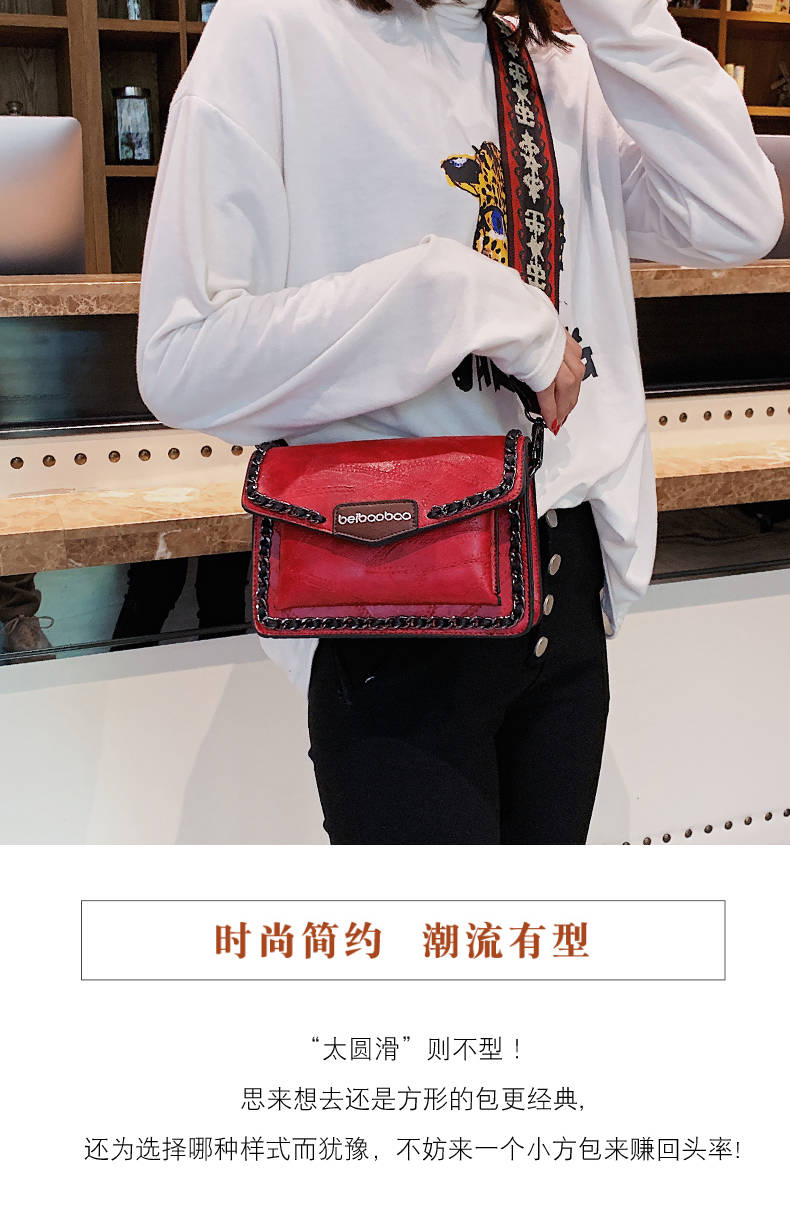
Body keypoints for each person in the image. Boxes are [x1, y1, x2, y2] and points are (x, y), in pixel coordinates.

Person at [136, 0, 783, 844]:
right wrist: (457, 298)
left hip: (563, 579)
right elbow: (183, 357)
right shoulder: (278, 27)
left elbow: (737, 216)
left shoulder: (553, 60)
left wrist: (618, 13)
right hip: (396, 576)